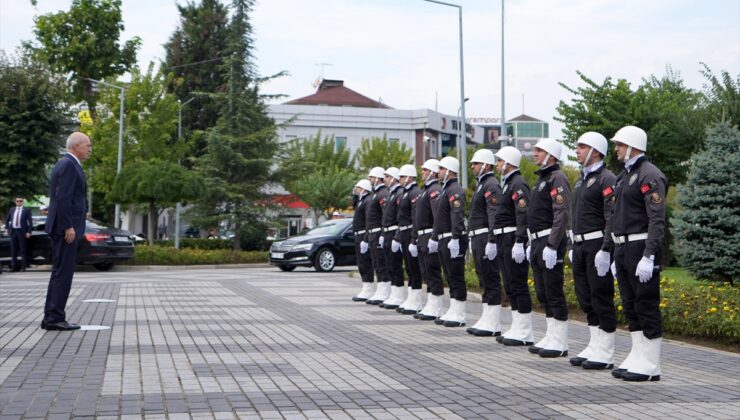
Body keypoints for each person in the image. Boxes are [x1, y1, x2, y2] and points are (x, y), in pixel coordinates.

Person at [609, 126, 667, 382]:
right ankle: (638, 355)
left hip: (641, 247)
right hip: (623, 247)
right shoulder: (624, 176)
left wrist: (649, 255)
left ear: (633, 146)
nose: (617, 149)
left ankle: (651, 364)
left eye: (620, 144)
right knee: (631, 305)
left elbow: (657, 220)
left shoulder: (650, 175)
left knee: (646, 304)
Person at [569, 132, 618, 370]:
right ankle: (594, 344)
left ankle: (606, 351)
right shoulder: (581, 180)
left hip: (597, 243)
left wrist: (607, 248)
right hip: (580, 244)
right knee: (585, 297)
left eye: (582, 147)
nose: (577, 150)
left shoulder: (606, 179)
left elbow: (611, 216)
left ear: (596, 151)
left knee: (601, 296)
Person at [41, 132, 92, 331]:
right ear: (77, 146)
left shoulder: (66, 164)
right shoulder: (69, 165)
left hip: (64, 226)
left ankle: (52, 316)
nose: (90, 149)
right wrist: (68, 226)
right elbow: (63, 198)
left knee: (59, 272)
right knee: (63, 273)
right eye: (87, 145)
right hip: (65, 229)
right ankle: (54, 318)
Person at [527, 138, 571, 357]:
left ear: (551, 155)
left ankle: (560, 341)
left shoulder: (558, 177)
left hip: (548, 240)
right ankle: (551, 335)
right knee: (543, 291)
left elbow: (560, 213)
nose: (534, 154)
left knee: (553, 289)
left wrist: (552, 245)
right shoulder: (544, 178)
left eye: (539, 150)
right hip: (537, 241)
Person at [494, 147, 535, 347]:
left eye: (500, 161)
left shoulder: (518, 183)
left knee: (518, 284)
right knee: (509, 285)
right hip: (504, 238)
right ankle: (517, 326)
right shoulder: (508, 183)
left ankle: (525, 330)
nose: (497, 165)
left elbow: (523, 214)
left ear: (509, 162)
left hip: (512, 238)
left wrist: (520, 241)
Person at [466, 149, 504, 336]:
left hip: (484, 237)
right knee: (483, 279)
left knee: (490, 278)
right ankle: (487, 317)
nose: (472, 166)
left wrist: (491, 240)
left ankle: (494, 321)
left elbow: (493, 215)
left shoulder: (491, 185)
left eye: (475, 163)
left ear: (486, 165)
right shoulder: (482, 185)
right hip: (477, 236)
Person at [433, 156, 468, 327]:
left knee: (456, 275)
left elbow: (457, 216)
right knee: (449, 276)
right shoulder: (445, 190)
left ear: (449, 171)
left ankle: (460, 312)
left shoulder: (455, 189)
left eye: (441, 169)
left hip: (452, 238)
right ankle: (454, 308)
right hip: (444, 238)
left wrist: (455, 237)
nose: (438, 172)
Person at [414, 159, 444, 320]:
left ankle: (437, 306)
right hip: (423, 236)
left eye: (425, 170)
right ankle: (431, 303)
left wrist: (434, 236)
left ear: (432, 172)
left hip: (429, 235)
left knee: (433, 272)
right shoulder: (426, 190)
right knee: (426, 271)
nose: (422, 172)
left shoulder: (434, 190)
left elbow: (436, 216)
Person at [393, 164, 424, 315]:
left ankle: (416, 300)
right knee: (410, 269)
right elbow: (401, 218)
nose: (400, 180)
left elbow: (415, 218)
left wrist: (414, 238)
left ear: (410, 177)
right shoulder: (406, 192)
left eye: (402, 177)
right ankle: (411, 298)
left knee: (414, 268)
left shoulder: (414, 193)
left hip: (411, 232)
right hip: (404, 233)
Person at [379, 167, 406, 309]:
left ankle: (399, 295)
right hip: (388, 233)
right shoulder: (391, 194)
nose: (385, 180)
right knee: (390, 265)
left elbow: (400, 217)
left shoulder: (399, 193)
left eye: (388, 177)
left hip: (395, 232)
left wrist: (397, 237)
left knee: (396, 266)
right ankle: (394, 294)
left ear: (394, 178)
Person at [364, 167, 391, 305]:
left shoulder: (383, 193)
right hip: (373, 234)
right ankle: (380, 289)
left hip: (378, 233)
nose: (370, 180)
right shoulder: (376, 193)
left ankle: (384, 291)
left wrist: (382, 234)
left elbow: (385, 216)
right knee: (376, 263)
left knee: (381, 263)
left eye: (371, 178)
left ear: (377, 178)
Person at [352, 179, 376, 301]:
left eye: (358, 188)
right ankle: (366, 286)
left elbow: (368, 221)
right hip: (358, 235)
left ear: (364, 189)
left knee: (365, 263)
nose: (355, 190)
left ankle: (369, 288)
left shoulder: (367, 201)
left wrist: (365, 239)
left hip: (363, 235)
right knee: (361, 263)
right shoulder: (361, 201)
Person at [5, 196, 33, 271]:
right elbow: (7, 220)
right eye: (17, 201)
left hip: (22, 232)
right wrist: (8, 229)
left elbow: (30, 222)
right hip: (13, 231)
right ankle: (14, 267)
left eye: (21, 201)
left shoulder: (26, 210)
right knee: (13, 250)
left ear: (23, 202)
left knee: (22, 250)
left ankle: (23, 267)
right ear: (15, 202)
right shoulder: (12, 209)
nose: (19, 202)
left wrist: (29, 232)